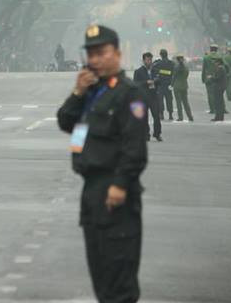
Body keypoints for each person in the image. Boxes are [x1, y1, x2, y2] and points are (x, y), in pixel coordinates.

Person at [56, 24, 147, 303]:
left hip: (115, 193)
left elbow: (134, 147)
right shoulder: (92, 92)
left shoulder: (129, 93)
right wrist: (77, 92)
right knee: (100, 277)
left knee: (119, 280)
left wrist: (120, 185)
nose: (95, 60)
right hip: (91, 192)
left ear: (117, 54)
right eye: (90, 54)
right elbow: (65, 122)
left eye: (101, 53)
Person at [132, 52, 158, 141]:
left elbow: (160, 80)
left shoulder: (155, 70)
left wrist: (156, 81)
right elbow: (135, 84)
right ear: (144, 61)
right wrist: (146, 82)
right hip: (143, 97)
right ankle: (146, 134)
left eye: (151, 60)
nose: (150, 62)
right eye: (148, 60)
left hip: (153, 96)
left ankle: (157, 133)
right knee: (145, 117)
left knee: (156, 116)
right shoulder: (138, 71)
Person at [202, 45, 228, 122]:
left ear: (210, 49)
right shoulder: (220, 56)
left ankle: (212, 109)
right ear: (216, 49)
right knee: (220, 97)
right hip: (220, 80)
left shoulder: (206, 57)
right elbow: (226, 65)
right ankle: (222, 110)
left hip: (210, 78)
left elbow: (204, 68)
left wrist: (203, 78)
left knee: (211, 94)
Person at [151, 48, 176, 121]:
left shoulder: (158, 64)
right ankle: (170, 115)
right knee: (169, 100)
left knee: (160, 100)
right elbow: (174, 74)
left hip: (160, 85)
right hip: (168, 85)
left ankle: (161, 114)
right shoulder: (171, 63)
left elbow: (153, 71)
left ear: (161, 55)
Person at [172, 54, 193, 122]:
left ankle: (180, 117)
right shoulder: (186, 67)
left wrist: (172, 84)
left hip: (177, 86)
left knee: (178, 103)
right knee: (186, 102)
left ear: (177, 60)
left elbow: (174, 76)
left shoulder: (176, 67)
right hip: (184, 85)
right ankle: (190, 116)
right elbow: (187, 75)